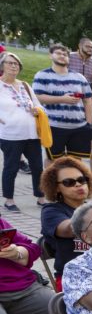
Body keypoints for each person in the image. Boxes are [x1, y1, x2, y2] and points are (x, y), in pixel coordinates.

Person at [40, 157, 92, 290]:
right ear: (56, 188)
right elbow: (69, 229)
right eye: (69, 182)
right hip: (73, 277)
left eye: (82, 180)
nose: (78, 185)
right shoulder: (51, 211)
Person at [32, 44, 92, 169]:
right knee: (53, 161)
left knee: (76, 162)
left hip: (79, 127)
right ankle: (51, 182)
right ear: (50, 55)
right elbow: (37, 97)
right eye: (58, 53)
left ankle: (72, 181)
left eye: (65, 54)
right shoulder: (42, 75)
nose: (62, 56)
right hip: (54, 126)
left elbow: (87, 101)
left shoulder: (79, 77)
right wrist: (62, 99)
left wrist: (89, 124)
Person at [0, 52, 45, 210]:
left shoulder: (24, 85)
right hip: (10, 135)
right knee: (11, 167)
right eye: (10, 63)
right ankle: (9, 200)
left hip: (32, 134)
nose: (14, 66)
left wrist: (37, 110)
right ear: (2, 66)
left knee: (37, 167)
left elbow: (38, 104)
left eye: (16, 64)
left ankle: (40, 197)